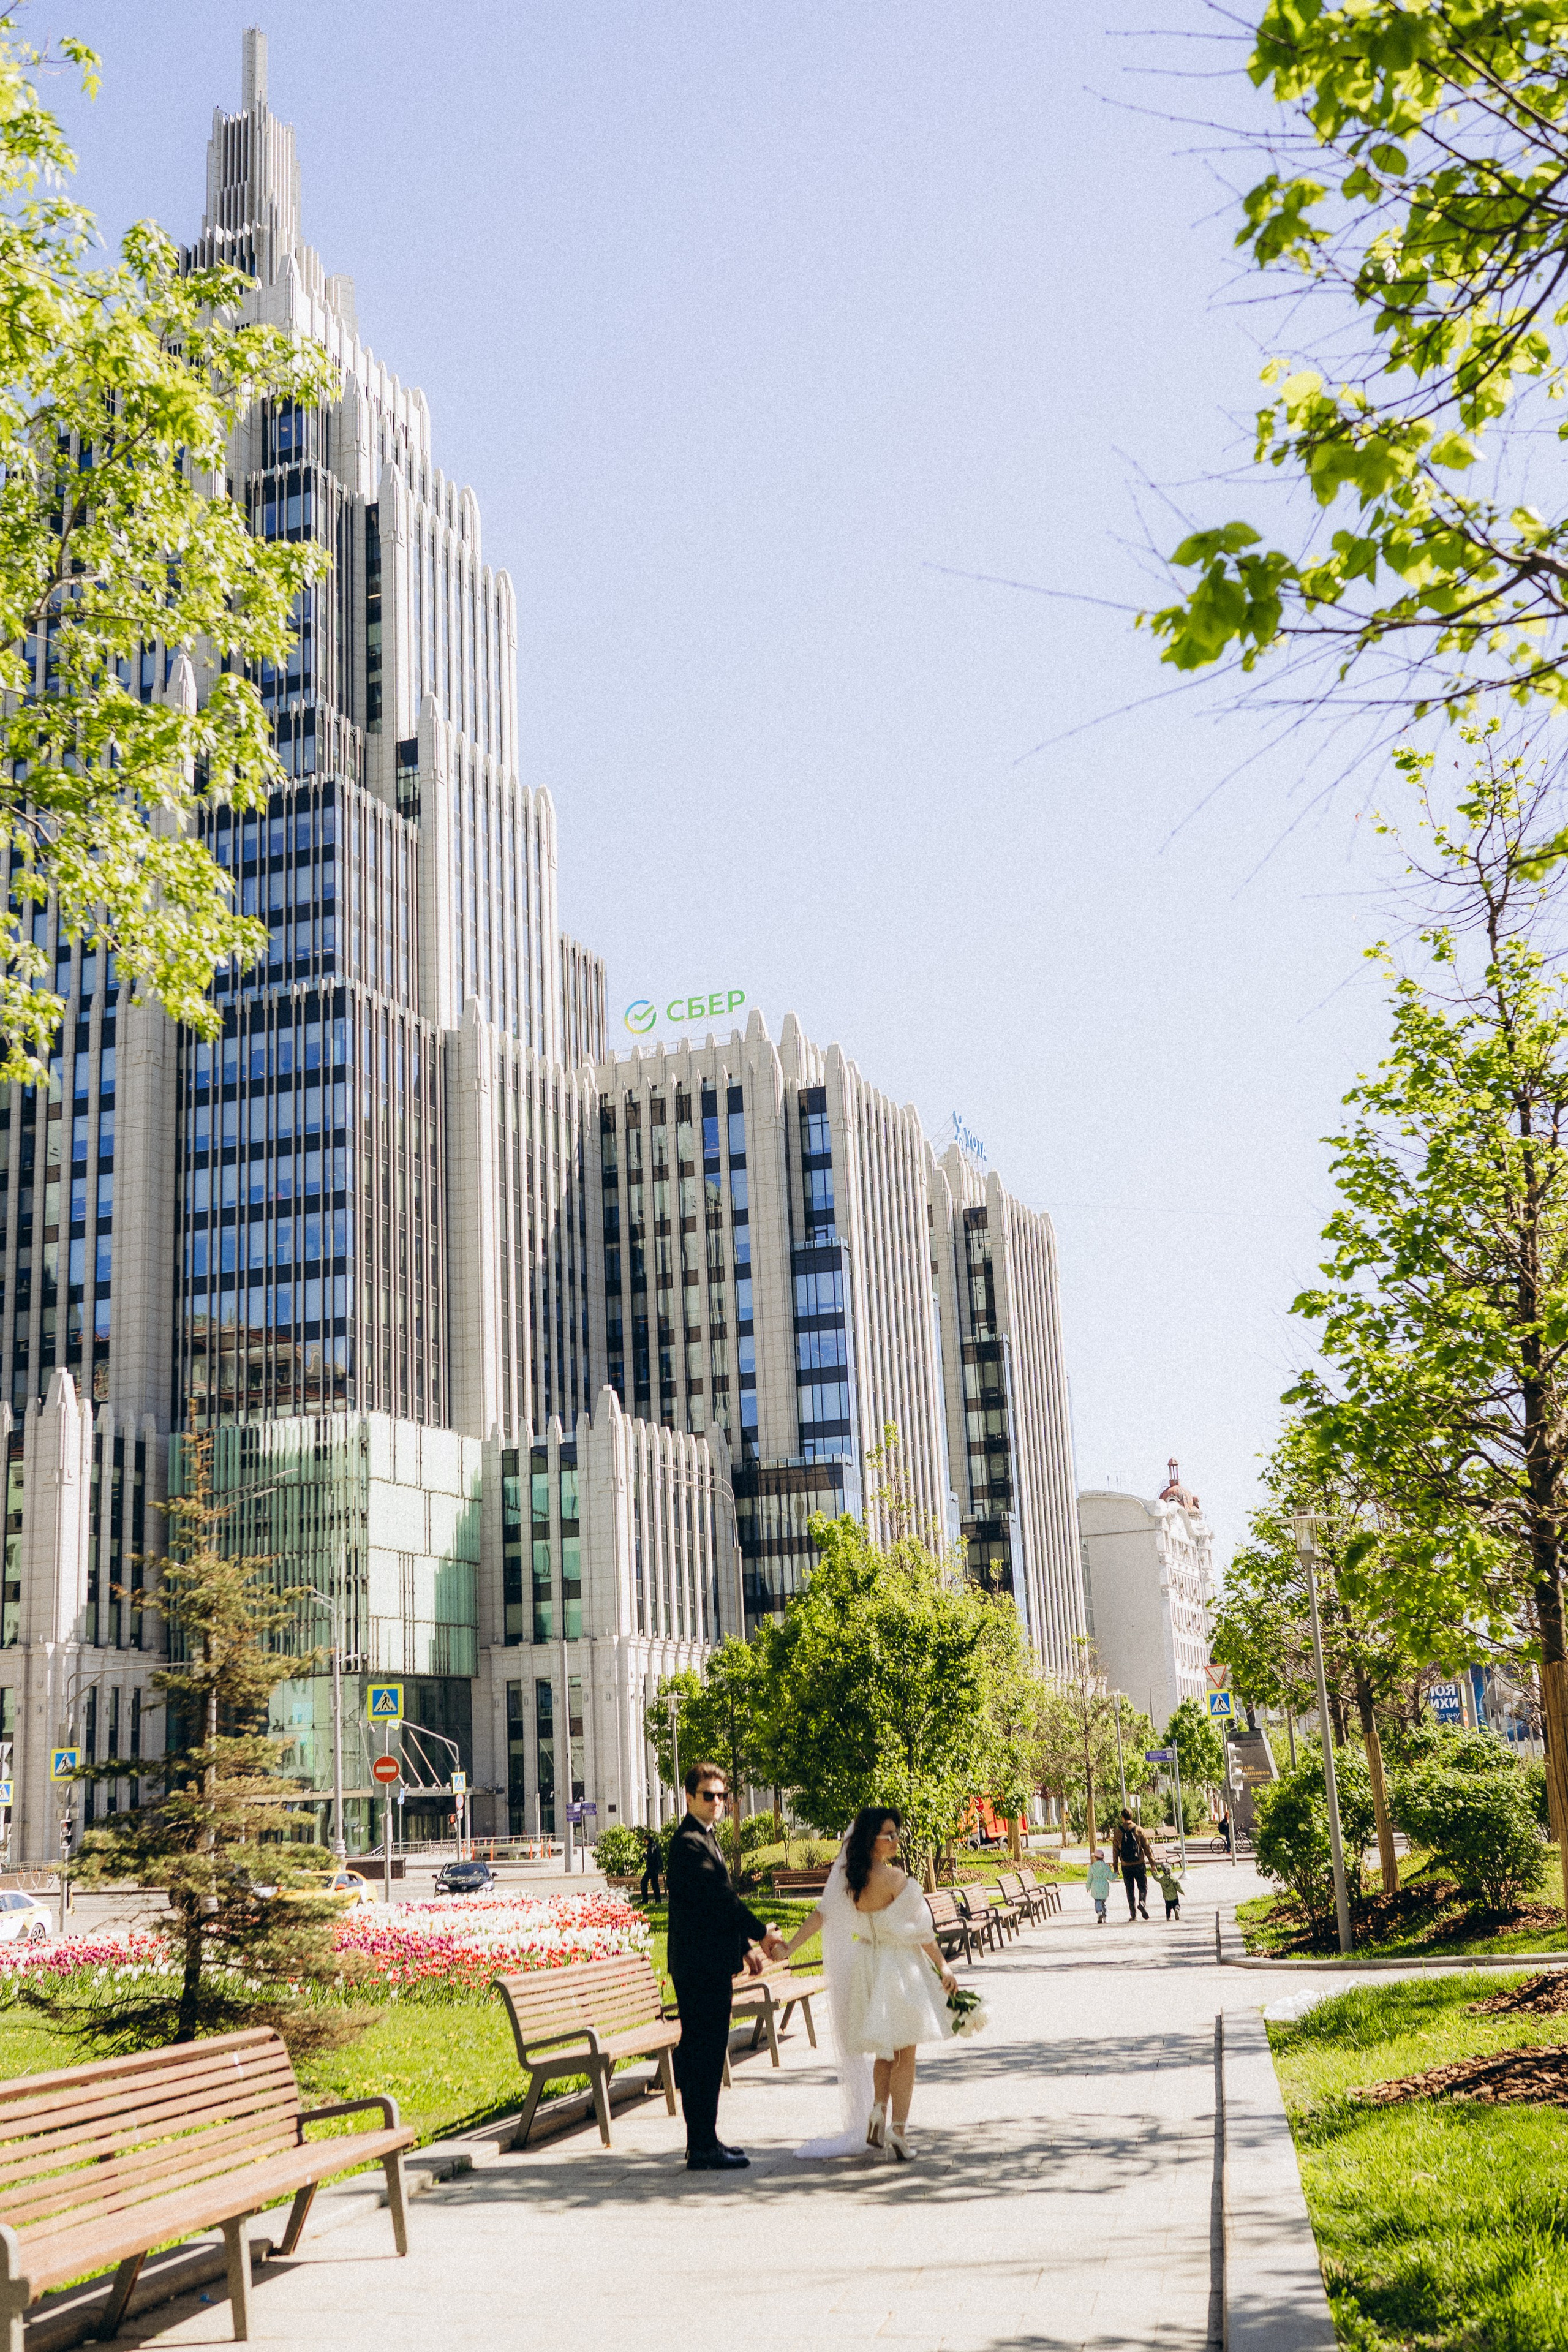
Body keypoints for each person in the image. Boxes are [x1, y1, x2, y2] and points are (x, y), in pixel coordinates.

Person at [778, 1806, 957, 2163]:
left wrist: (790, 1948)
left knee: (883, 2050)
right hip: (899, 1968)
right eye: (888, 1835)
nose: (895, 1841)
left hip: (868, 1967)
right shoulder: (895, 1880)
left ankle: (877, 2110)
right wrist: (944, 1968)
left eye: (896, 1834)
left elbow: (822, 1915)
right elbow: (923, 1933)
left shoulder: (849, 1879)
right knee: (906, 2052)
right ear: (871, 1840)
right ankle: (899, 2130)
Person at [666, 1761, 783, 2171]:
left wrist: (744, 1946)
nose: (717, 1803)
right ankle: (701, 2147)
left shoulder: (706, 1838)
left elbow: (717, 1905)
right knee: (702, 2055)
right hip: (697, 1968)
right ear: (689, 1798)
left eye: (721, 1796)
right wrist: (759, 1934)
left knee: (711, 2054)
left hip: (710, 1963)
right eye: (708, 1796)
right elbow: (719, 1900)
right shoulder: (688, 1843)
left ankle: (706, 2139)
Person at [1112, 1809, 1152, 1921]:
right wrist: (1152, 1863)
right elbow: (1147, 1847)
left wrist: (1115, 1867)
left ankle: (1133, 1915)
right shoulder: (1139, 1830)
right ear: (1132, 1816)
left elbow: (1115, 1851)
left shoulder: (1118, 1832)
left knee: (1130, 1890)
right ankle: (1142, 1902)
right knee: (1143, 1886)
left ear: (1122, 1818)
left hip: (1126, 1865)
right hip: (1139, 1864)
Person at [1084, 1849, 1112, 1925]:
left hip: (1095, 1886)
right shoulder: (1106, 1867)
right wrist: (1116, 1874)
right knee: (1103, 1902)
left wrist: (1088, 1886)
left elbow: (1090, 1878)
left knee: (1097, 1901)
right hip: (1104, 1886)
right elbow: (1110, 1877)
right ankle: (1105, 1916)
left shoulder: (1092, 1867)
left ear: (1096, 1858)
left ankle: (1099, 1912)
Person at [639, 1823, 663, 1904]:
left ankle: (645, 1900)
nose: (644, 1843)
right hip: (655, 1868)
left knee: (644, 1883)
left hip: (652, 1869)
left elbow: (651, 1857)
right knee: (655, 1884)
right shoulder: (655, 1846)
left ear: (647, 1840)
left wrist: (645, 1856)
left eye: (645, 1841)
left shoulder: (652, 1847)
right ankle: (658, 1901)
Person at [1154, 1856, 1184, 1920]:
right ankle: (1176, 1909)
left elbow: (1156, 1878)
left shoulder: (1162, 1879)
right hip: (1174, 1897)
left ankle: (1168, 1917)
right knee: (1176, 1904)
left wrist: (1154, 1872)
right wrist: (1182, 1892)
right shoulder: (1174, 1879)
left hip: (1167, 1898)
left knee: (1168, 1908)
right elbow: (1178, 1887)